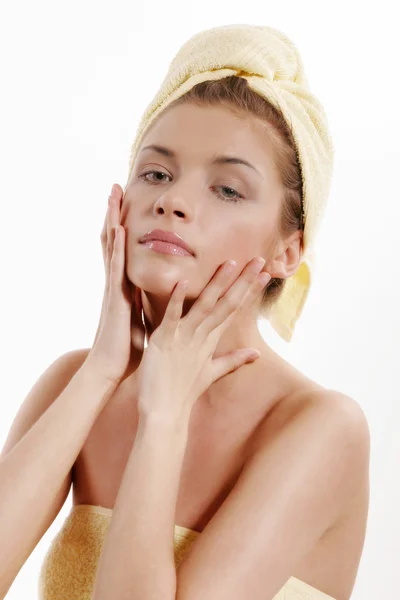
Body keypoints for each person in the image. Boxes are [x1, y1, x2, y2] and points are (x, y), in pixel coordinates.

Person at [0, 25, 370, 600]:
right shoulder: (73, 386)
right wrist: (101, 368)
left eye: (227, 189)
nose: (171, 200)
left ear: (288, 251)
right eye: (157, 173)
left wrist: (164, 418)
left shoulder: (321, 428)